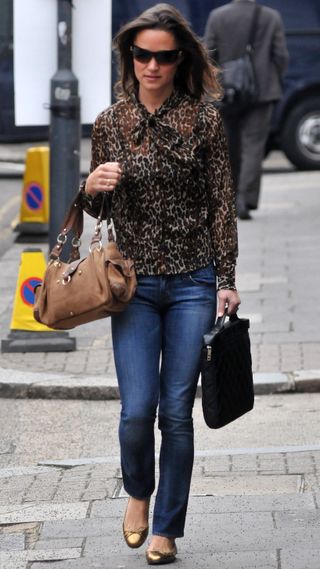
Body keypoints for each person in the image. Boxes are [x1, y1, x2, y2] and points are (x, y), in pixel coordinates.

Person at [80, 3, 240, 565]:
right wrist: (93, 184)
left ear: (180, 60)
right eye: (142, 54)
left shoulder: (204, 120)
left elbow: (222, 202)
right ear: (130, 57)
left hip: (195, 281)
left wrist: (226, 279)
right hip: (135, 285)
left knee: (175, 410)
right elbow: (97, 211)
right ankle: (137, 494)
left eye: (163, 56)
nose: (152, 65)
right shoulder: (109, 123)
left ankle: (167, 529)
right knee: (136, 408)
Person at [204, 0, 289, 219]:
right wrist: (273, 78)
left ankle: (229, 199)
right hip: (262, 92)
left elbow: (208, 55)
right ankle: (246, 199)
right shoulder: (271, 17)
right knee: (253, 147)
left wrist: (218, 83)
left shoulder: (217, 16)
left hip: (228, 93)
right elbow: (280, 56)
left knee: (227, 146)